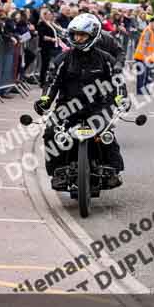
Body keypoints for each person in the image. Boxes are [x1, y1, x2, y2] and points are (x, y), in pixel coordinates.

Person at [35, 14, 125, 189]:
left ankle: (113, 170)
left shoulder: (106, 59)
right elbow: (51, 83)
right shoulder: (63, 59)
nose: (77, 38)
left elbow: (118, 82)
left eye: (82, 35)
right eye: (75, 34)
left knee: (107, 133)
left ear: (92, 35)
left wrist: (121, 99)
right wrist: (44, 101)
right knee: (51, 132)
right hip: (68, 107)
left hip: (98, 106)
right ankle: (57, 172)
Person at [133, 14, 154, 95]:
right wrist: (145, 57)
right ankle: (141, 90)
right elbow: (145, 44)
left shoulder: (150, 30)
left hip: (143, 56)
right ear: (151, 23)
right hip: (142, 56)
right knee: (142, 75)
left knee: (143, 74)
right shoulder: (148, 30)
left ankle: (142, 90)